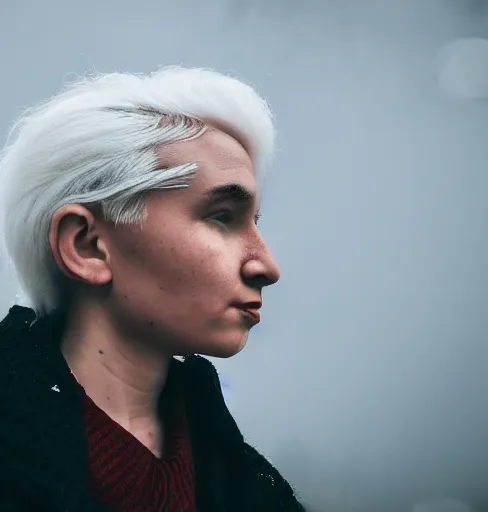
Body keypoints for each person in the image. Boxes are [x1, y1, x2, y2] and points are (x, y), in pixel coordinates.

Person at [0, 66, 305, 512]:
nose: (267, 266)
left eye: (254, 222)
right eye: (221, 216)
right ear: (87, 245)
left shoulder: (245, 484)